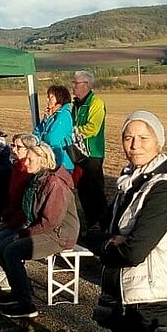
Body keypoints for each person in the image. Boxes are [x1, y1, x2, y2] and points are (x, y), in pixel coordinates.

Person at [90, 111, 167, 332]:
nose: (135, 145)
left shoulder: (163, 188)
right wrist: (111, 240)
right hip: (128, 295)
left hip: (149, 300)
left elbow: (133, 253)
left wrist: (108, 246)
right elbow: (94, 231)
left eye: (144, 138)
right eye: (128, 137)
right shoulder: (132, 183)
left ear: (159, 142)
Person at [0, 141, 79, 319]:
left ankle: (26, 304)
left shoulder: (55, 184)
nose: (25, 163)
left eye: (30, 160)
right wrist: (11, 225)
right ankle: (17, 290)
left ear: (43, 160)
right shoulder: (37, 179)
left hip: (59, 234)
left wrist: (22, 234)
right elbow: (27, 210)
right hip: (43, 228)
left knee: (11, 250)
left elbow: (50, 222)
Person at [0, 133, 37, 291]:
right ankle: (4, 272)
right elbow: (11, 199)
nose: (13, 149)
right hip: (12, 216)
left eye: (18, 147)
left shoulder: (29, 173)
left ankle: (15, 282)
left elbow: (27, 207)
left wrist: (9, 223)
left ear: (30, 150)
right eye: (13, 145)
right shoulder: (16, 168)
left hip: (27, 223)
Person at [71, 71, 108, 232]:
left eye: (76, 83)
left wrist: (72, 131)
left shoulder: (96, 103)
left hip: (93, 154)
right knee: (84, 192)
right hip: (79, 154)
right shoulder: (75, 106)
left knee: (95, 192)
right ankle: (89, 223)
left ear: (86, 85)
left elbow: (93, 128)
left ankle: (102, 224)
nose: (73, 86)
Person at [35, 84, 75, 172]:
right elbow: (35, 133)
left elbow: (52, 139)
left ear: (59, 98)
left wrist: (39, 142)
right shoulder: (51, 116)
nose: (47, 100)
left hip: (62, 163)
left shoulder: (64, 115)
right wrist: (45, 120)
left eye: (51, 97)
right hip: (50, 161)